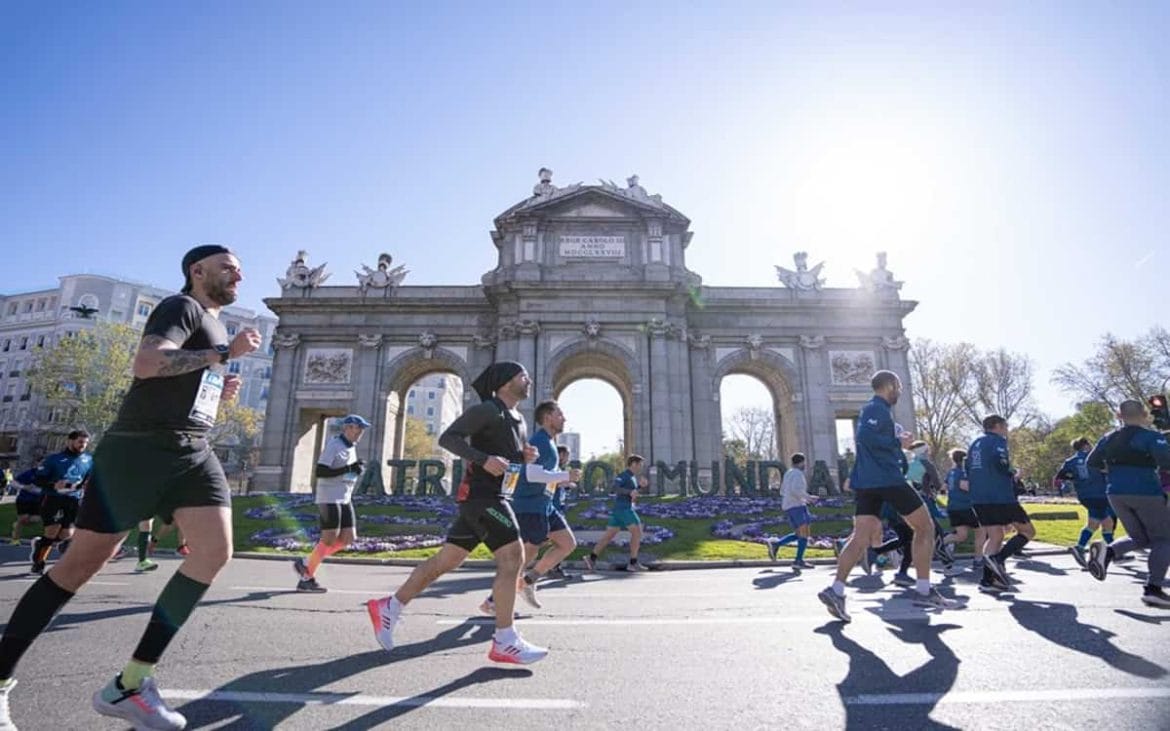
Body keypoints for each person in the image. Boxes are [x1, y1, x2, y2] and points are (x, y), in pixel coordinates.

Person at [0, 244, 262, 731]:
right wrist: (223, 354)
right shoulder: (180, 307)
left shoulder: (218, 323)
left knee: (214, 552)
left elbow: (182, 383)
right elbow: (147, 363)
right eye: (229, 268)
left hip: (193, 448)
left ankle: (130, 684)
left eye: (241, 271)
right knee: (79, 566)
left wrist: (215, 390)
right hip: (138, 450)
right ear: (197, 270)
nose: (238, 277)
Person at [365, 362, 549, 664]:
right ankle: (505, 639)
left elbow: (506, 458)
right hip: (483, 496)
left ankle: (390, 607)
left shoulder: (518, 418)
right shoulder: (488, 410)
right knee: (513, 557)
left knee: (446, 560)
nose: (528, 380)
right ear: (504, 383)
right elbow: (449, 438)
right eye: (522, 376)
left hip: (494, 495)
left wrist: (523, 456)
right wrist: (482, 458)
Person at [818, 371, 952, 623]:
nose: (899, 392)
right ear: (889, 386)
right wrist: (897, 440)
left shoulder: (874, 410)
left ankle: (835, 591)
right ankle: (923, 590)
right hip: (887, 479)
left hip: (868, 483)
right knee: (926, 527)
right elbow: (866, 437)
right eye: (898, 387)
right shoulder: (876, 408)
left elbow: (867, 443)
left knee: (859, 538)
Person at [480, 400, 580, 613]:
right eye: (560, 414)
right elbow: (531, 474)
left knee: (567, 543)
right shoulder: (539, 440)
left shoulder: (550, 442)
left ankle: (526, 582)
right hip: (530, 506)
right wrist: (564, 475)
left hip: (545, 506)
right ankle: (493, 601)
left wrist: (563, 481)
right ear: (548, 417)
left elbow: (543, 476)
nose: (564, 418)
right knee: (524, 556)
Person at [1085, 400, 1170, 607]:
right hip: (1145, 491)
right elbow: (1167, 461)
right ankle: (1154, 588)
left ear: (1118, 415)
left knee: (1139, 537)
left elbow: (1092, 462)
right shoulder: (1151, 437)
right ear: (1144, 414)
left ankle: (1109, 552)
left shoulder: (1109, 438)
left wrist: (1111, 471)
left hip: (1116, 493)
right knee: (1163, 539)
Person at [293, 414, 370, 593]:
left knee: (348, 538)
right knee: (329, 539)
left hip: (344, 497)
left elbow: (344, 476)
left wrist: (356, 471)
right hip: (329, 497)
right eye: (359, 428)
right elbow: (321, 471)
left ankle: (305, 563)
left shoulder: (351, 447)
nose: (361, 432)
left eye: (363, 429)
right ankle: (306, 578)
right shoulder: (334, 444)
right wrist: (349, 469)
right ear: (348, 428)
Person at [966, 415, 1035, 592]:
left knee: (995, 536)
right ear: (997, 426)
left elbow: (969, 469)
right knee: (1028, 531)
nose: (1007, 429)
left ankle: (988, 580)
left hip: (979, 498)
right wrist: (1013, 472)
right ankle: (999, 559)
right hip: (1000, 496)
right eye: (1005, 426)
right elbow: (1001, 463)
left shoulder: (974, 444)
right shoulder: (997, 441)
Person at [28, 431, 93, 574]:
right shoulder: (53, 459)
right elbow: (38, 480)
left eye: (86, 443)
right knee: (52, 531)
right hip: (52, 498)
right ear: (69, 441)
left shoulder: (89, 459)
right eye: (80, 442)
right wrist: (53, 485)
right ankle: (39, 562)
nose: (83, 445)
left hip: (73, 499)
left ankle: (41, 543)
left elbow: (88, 479)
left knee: (66, 534)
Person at [1054, 437, 1115, 569]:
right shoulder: (1095, 458)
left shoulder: (1070, 461)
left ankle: (1114, 551)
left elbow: (1060, 477)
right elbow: (1107, 471)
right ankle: (1081, 547)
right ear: (1086, 445)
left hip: (1084, 495)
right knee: (1095, 523)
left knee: (1106, 522)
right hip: (1099, 493)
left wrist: (1075, 479)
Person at [583, 455, 649, 572]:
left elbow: (630, 492)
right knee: (637, 532)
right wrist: (631, 491)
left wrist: (639, 487)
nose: (641, 467)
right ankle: (633, 563)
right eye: (640, 464)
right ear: (633, 464)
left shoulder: (632, 477)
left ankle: (591, 558)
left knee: (608, 536)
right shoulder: (624, 475)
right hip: (624, 509)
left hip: (619, 510)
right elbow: (615, 487)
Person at [765, 453, 817, 569]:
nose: (805, 465)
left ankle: (776, 544)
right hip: (797, 506)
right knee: (804, 533)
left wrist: (802, 498)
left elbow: (783, 491)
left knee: (801, 533)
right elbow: (795, 490)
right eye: (804, 462)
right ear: (801, 462)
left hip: (791, 506)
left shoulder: (788, 473)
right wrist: (809, 498)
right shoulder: (798, 474)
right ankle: (798, 560)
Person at [943, 449, 985, 573]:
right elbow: (964, 486)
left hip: (953, 506)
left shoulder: (951, 472)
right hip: (966, 506)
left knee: (961, 536)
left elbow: (944, 487)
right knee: (981, 531)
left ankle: (941, 542)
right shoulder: (964, 472)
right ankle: (978, 560)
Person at [545, 445, 577, 580]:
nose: (568, 458)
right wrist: (564, 483)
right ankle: (550, 567)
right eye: (567, 455)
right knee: (557, 542)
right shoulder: (553, 467)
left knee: (557, 542)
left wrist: (567, 486)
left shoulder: (561, 469)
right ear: (561, 455)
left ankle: (553, 567)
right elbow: (550, 482)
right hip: (552, 508)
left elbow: (559, 486)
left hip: (557, 508)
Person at [9, 463, 43, 546]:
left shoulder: (48, 474)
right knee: (22, 519)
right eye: (41, 463)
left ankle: (17, 523)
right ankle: (15, 540)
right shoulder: (29, 473)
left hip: (38, 501)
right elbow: (13, 483)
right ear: (36, 464)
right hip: (24, 499)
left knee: (36, 519)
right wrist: (24, 487)